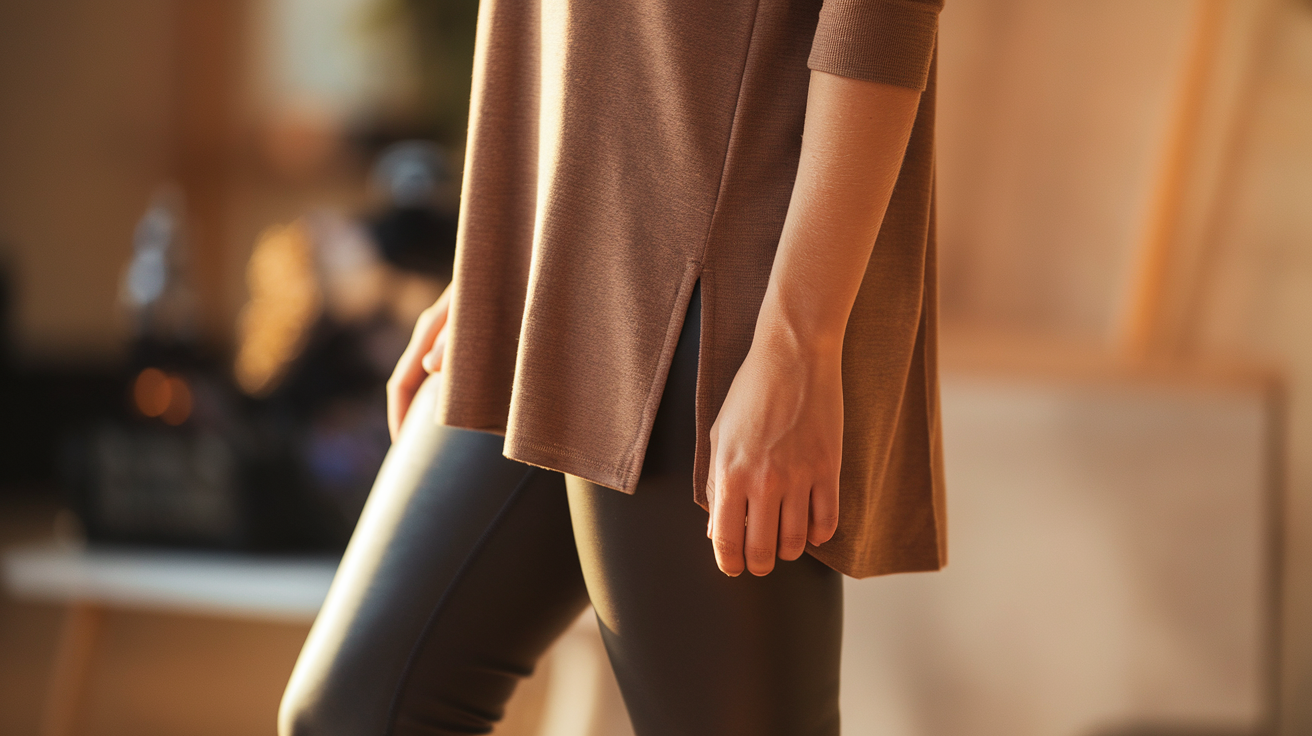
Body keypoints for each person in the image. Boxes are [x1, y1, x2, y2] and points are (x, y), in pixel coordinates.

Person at [279, 0, 946, 733]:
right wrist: (498, 254)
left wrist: (799, 340)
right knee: (356, 714)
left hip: (719, 283)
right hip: (546, 268)